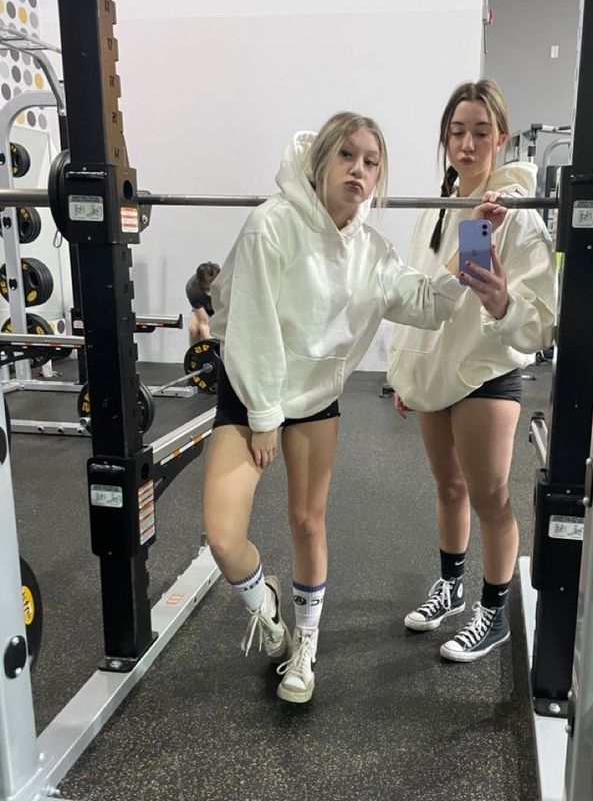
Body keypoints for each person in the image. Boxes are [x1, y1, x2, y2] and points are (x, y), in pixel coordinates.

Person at [203, 111, 506, 704]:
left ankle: (306, 646)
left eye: (371, 162)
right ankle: (267, 610)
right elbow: (253, 323)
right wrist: (264, 415)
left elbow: (427, 301)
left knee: (308, 521)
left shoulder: (372, 250)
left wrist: (477, 231)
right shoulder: (272, 224)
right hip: (253, 392)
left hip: (315, 398)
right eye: (347, 156)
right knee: (221, 535)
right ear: (321, 162)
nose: (359, 171)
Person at [388, 80, 557, 663]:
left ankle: (494, 612)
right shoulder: (437, 211)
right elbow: (417, 294)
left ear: (501, 139)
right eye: (457, 132)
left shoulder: (517, 216)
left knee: (489, 495)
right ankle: (452, 589)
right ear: (445, 139)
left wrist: (504, 303)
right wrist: (405, 373)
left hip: (487, 372)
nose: (467, 143)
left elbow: (542, 321)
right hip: (434, 372)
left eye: (481, 132)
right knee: (450, 487)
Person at [186, 261, 221, 346]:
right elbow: (204, 322)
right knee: (193, 329)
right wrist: (211, 344)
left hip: (221, 309)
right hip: (205, 309)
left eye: (212, 289)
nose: (210, 294)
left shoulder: (227, 284)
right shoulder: (192, 289)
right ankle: (195, 357)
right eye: (206, 289)